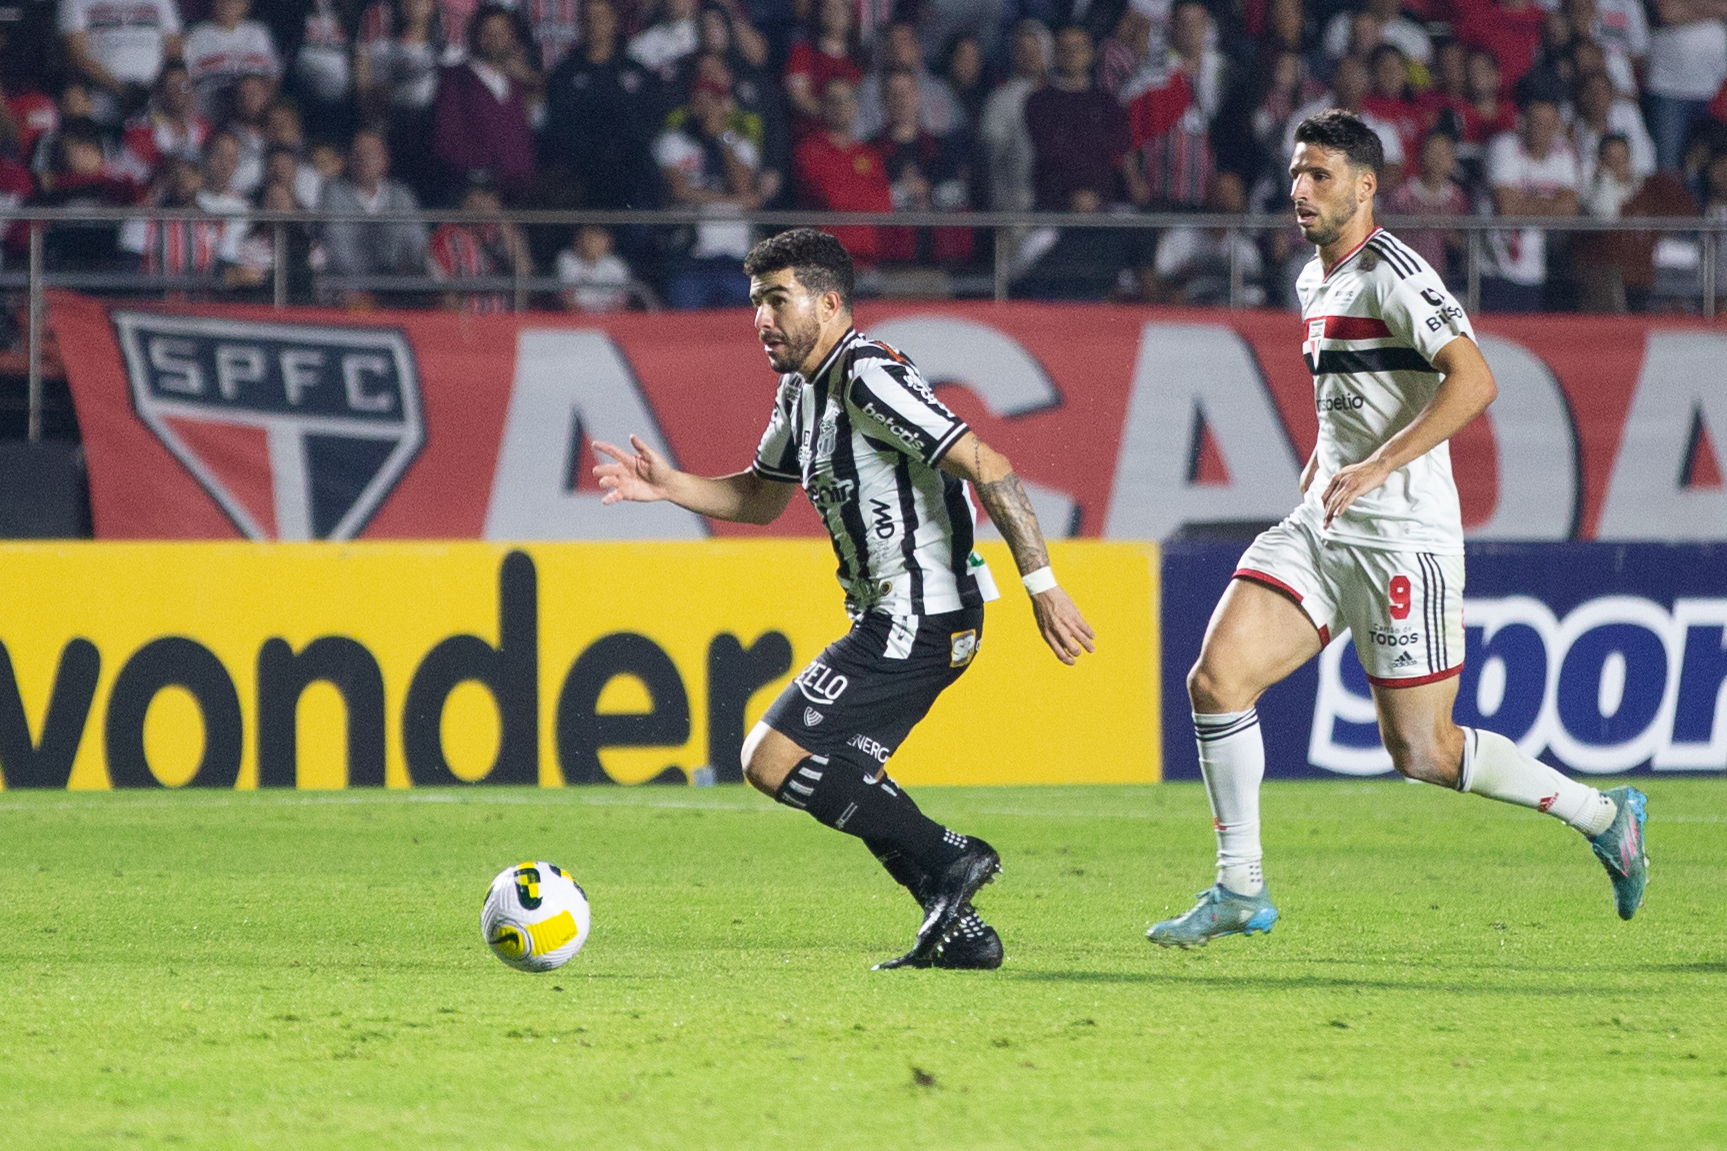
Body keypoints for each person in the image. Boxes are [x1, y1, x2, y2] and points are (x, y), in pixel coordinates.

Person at [1146, 110, 1649, 951]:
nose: (1300, 189)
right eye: (1296, 172)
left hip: (1402, 538)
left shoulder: (1396, 273)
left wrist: (1377, 464)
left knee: (1423, 751)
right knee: (1216, 681)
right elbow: (1352, 391)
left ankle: (1605, 815)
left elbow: (1474, 381)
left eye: (1319, 175)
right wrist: (1325, 457)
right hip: (1324, 525)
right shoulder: (1313, 279)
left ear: (1365, 186)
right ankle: (1239, 886)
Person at [591, 227, 1095, 969]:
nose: (760, 318)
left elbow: (989, 463)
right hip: (895, 618)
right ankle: (957, 928)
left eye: (776, 299)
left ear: (829, 304)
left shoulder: (867, 376)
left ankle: (951, 858)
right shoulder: (800, 392)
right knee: (848, 778)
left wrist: (1042, 586)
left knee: (769, 758)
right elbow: (760, 497)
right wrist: (672, 487)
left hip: (920, 615)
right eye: (755, 302)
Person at [433, 4, 539, 201]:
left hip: (521, 196)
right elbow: (448, 140)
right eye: (489, 33)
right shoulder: (457, 80)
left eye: (503, 32)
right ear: (477, 36)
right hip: (478, 197)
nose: (496, 39)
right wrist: (472, 187)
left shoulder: (518, 83)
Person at [320, 126, 430, 300]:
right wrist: (361, 287)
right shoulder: (334, 192)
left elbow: (417, 243)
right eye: (359, 153)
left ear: (385, 159)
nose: (365, 160)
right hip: (351, 291)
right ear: (349, 158)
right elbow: (337, 245)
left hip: (399, 288)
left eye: (371, 153)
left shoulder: (401, 195)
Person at [59, 0, 184, 125]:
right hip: (103, 92)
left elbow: (174, 49)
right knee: (74, 102)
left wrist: (152, 91)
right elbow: (77, 54)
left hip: (155, 93)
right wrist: (122, 89)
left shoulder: (162, 2)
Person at [183, 0, 282, 120]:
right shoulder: (196, 36)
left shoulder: (259, 33)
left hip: (253, 113)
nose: (228, 5)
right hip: (212, 111)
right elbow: (185, 79)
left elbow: (274, 77)